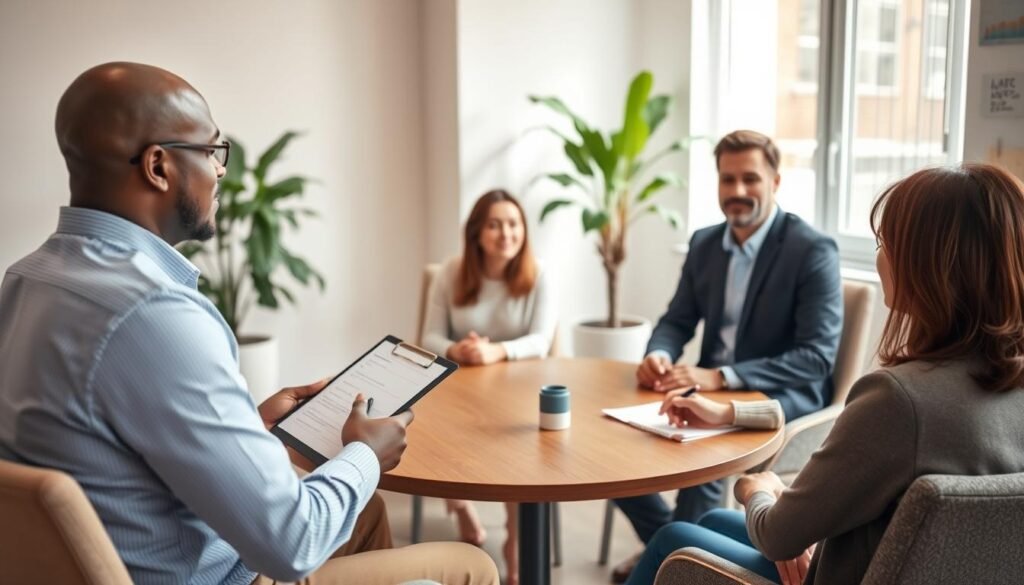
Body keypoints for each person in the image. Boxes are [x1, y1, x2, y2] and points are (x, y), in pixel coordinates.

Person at [0, 62, 498, 585]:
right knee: (472, 567)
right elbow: (292, 543)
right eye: (213, 151)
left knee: (364, 513)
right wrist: (366, 454)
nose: (220, 171)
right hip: (221, 575)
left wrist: (252, 428)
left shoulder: (26, 280)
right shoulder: (153, 315)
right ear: (158, 166)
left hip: (133, 553)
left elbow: (110, 449)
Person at [625, 163, 1024, 585]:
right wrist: (729, 415)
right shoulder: (1002, 382)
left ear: (925, 266)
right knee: (709, 520)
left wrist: (758, 487)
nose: (880, 257)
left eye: (885, 242)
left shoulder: (898, 401)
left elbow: (778, 536)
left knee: (675, 538)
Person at [612, 129, 843, 582]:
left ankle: (676, 556)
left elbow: (816, 358)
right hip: (705, 382)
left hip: (782, 398)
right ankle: (674, 551)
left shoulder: (810, 249)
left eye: (750, 179)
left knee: (706, 444)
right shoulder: (704, 244)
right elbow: (677, 319)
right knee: (609, 452)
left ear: (775, 182)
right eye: (727, 179)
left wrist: (724, 376)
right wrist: (659, 354)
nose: (737, 191)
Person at [420, 189, 558, 585]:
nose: (506, 233)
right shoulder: (451, 270)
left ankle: (516, 542)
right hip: (459, 386)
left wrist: (495, 351)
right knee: (435, 425)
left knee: (518, 451)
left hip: (519, 388)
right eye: (495, 224)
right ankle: (461, 507)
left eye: (513, 224)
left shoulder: (539, 273)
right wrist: (457, 348)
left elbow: (541, 340)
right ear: (477, 232)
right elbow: (428, 336)